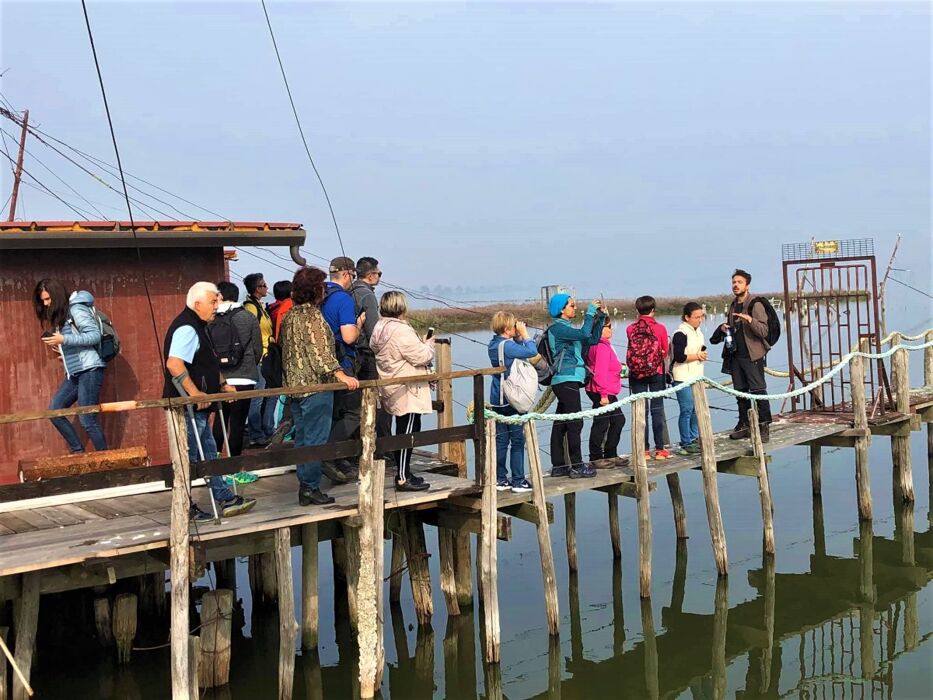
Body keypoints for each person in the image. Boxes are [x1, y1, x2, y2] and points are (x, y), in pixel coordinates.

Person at [163, 281, 256, 521]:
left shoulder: (200, 326)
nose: (217, 306)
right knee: (189, 458)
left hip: (199, 407)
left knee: (209, 453)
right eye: (213, 301)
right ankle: (185, 506)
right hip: (187, 408)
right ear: (197, 304)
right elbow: (174, 364)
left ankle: (224, 497)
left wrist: (223, 384)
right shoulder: (187, 327)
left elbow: (209, 362)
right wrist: (194, 393)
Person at [280, 267, 360, 506]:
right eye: (321, 286)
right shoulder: (313, 317)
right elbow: (321, 354)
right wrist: (341, 375)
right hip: (315, 388)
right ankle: (311, 487)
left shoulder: (290, 316)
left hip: (294, 387)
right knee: (315, 439)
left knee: (303, 439)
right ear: (316, 290)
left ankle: (305, 486)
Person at [34, 279, 108, 454]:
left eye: (48, 299)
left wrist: (64, 339)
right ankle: (78, 452)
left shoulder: (76, 309)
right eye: (43, 301)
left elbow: (94, 335)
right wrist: (65, 352)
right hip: (75, 372)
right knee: (55, 411)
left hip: (90, 369)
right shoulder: (63, 314)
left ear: (57, 295)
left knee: (87, 419)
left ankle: (106, 458)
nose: (45, 304)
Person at [370, 291, 434, 492]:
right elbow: (422, 356)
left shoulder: (379, 327)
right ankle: (403, 477)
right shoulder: (400, 330)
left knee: (403, 430)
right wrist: (428, 345)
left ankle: (404, 471)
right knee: (407, 433)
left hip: (391, 386)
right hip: (408, 389)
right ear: (401, 307)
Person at [710, 269, 773, 442]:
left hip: (752, 355)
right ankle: (744, 424)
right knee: (740, 392)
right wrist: (724, 328)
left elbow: (764, 331)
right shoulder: (733, 305)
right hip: (735, 355)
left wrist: (750, 320)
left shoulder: (755, 304)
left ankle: (764, 425)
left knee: (758, 390)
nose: (735, 285)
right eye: (734, 282)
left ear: (747, 285)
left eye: (739, 282)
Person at [546, 293, 603, 478]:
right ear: (561, 309)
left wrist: (600, 318)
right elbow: (584, 334)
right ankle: (577, 466)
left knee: (561, 422)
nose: (575, 308)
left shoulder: (568, 329)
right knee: (575, 422)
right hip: (566, 379)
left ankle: (559, 466)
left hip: (568, 380)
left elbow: (591, 339)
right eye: (572, 305)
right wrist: (590, 313)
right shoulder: (558, 329)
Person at [320, 256, 366, 483]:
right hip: (342, 363)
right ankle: (328, 454)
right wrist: (359, 324)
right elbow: (348, 337)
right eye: (353, 276)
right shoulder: (343, 299)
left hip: (322, 364)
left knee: (333, 412)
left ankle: (336, 458)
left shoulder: (319, 296)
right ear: (347, 274)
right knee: (354, 411)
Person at [209, 281, 262, 457]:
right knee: (238, 424)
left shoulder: (212, 318)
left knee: (220, 420)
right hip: (244, 377)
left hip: (220, 377)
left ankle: (215, 458)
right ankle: (234, 464)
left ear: (220, 295)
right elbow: (257, 348)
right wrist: (250, 363)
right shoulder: (248, 317)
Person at [350, 256, 394, 463]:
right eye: (379, 273)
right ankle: (384, 447)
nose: (379, 277)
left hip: (353, 356)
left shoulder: (349, 291)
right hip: (367, 356)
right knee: (380, 401)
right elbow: (374, 331)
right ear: (370, 275)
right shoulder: (367, 295)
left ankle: (357, 446)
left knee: (355, 403)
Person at [487, 311, 537, 492]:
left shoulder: (493, 344)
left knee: (501, 441)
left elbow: (515, 354)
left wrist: (518, 338)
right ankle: (518, 481)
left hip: (497, 398)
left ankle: (500, 479)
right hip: (512, 400)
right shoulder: (507, 346)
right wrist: (525, 335)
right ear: (508, 328)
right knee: (517, 441)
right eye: (514, 325)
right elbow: (531, 351)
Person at [626, 296, 671, 460]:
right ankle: (659, 449)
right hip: (656, 372)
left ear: (637, 310)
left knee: (640, 412)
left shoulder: (630, 329)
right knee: (657, 410)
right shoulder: (660, 328)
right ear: (653, 309)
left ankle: (643, 450)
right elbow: (665, 351)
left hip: (636, 374)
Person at [585, 317, 626, 468]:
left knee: (617, 420)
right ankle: (596, 457)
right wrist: (603, 395)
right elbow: (600, 372)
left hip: (606, 390)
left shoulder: (601, 345)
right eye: (608, 326)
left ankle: (610, 453)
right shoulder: (601, 347)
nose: (611, 329)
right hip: (602, 391)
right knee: (602, 423)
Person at [243, 272, 276, 446]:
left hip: (267, 354)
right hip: (259, 356)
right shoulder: (251, 308)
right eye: (263, 285)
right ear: (256, 289)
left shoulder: (260, 307)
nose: (266, 288)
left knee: (267, 395)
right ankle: (255, 434)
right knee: (258, 396)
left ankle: (265, 429)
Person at [670, 302, 707, 455]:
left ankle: (694, 437)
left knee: (696, 410)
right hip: (682, 377)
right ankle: (686, 442)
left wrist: (701, 355)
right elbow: (679, 356)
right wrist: (697, 356)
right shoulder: (680, 333)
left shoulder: (698, 332)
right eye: (696, 317)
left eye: (701, 317)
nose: (700, 320)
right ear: (687, 317)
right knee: (686, 410)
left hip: (696, 376)